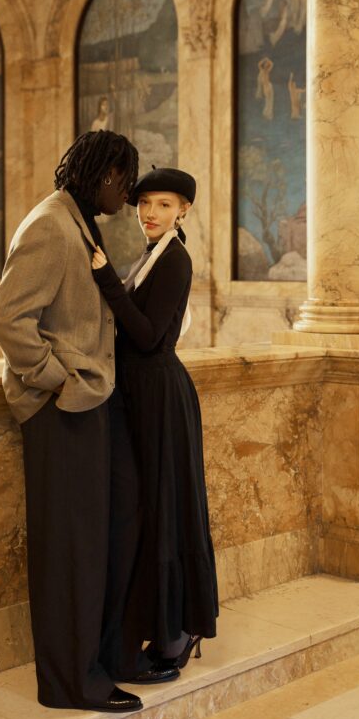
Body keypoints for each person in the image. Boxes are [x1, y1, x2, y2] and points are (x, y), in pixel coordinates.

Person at [0, 130, 148, 714]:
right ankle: (69, 684)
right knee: (70, 549)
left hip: (88, 403)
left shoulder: (77, 221)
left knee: (98, 538)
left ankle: (96, 664)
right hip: (60, 410)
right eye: (125, 182)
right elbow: (7, 320)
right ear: (103, 174)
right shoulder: (51, 227)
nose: (128, 195)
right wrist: (59, 380)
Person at [90, 166, 218, 681]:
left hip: (161, 397)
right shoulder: (152, 255)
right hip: (141, 394)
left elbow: (146, 336)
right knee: (148, 512)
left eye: (164, 204)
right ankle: (161, 628)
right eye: (144, 203)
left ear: (184, 210)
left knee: (164, 511)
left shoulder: (176, 260)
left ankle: (176, 631)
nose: (150, 213)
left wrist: (105, 279)